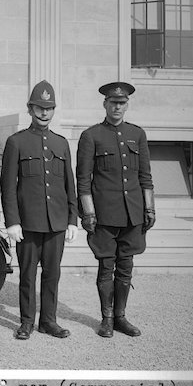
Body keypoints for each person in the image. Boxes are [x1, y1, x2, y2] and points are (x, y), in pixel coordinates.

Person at [76, 82, 155, 338]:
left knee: (126, 266)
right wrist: (88, 212)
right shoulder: (92, 136)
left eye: (121, 103)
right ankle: (107, 319)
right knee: (106, 266)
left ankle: (121, 317)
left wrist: (150, 208)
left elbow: (145, 175)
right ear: (105, 104)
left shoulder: (137, 134)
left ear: (127, 105)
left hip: (132, 213)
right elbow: (83, 179)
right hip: (105, 215)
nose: (117, 107)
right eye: (113, 102)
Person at [0, 80, 78, 340]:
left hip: (56, 222)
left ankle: (48, 321)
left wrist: (72, 220)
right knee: (28, 275)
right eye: (39, 107)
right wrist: (12, 221)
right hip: (28, 223)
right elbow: (8, 186)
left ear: (54, 110)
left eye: (49, 108)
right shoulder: (16, 142)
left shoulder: (61, 143)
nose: (44, 112)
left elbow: (69, 183)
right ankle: (26, 322)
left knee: (52, 275)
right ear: (29, 108)